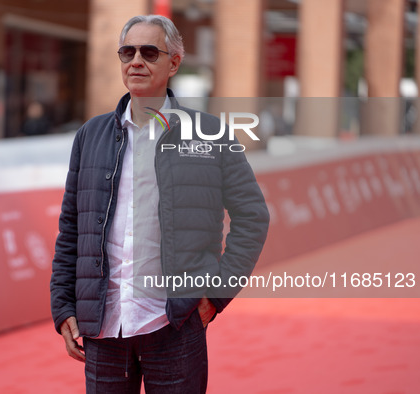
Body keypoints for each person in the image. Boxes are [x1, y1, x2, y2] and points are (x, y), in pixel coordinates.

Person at [50, 15, 269, 393]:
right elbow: (72, 228)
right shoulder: (90, 136)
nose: (136, 61)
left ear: (174, 63)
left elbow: (253, 216)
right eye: (127, 51)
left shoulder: (211, 135)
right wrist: (64, 308)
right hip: (104, 328)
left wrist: (215, 295)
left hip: (174, 325)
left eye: (149, 52)